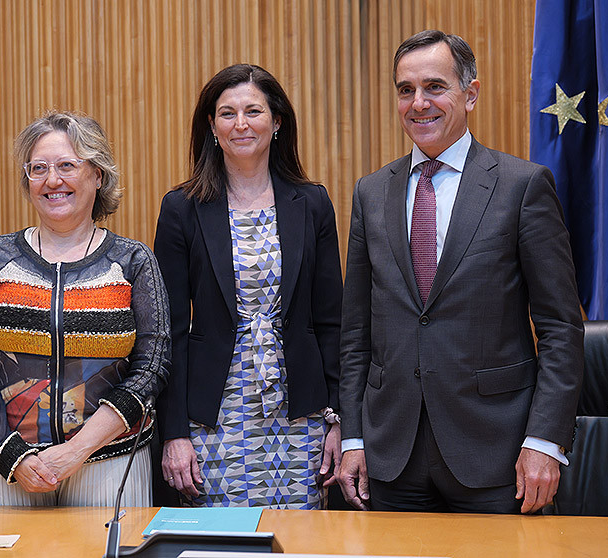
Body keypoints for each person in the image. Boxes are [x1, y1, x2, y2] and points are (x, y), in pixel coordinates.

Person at [338, 30, 584, 514]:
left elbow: (560, 328)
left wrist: (545, 441)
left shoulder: (522, 186)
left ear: (469, 94)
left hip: (499, 455)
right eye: (406, 89)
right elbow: (356, 334)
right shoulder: (371, 192)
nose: (418, 103)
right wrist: (353, 437)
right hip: (392, 457)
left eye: (435, 87)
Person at [0, 111, 170, 506]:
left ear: (98, 175)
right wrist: (10, 454)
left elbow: (151, 368)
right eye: (39, 168)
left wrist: (77, 450)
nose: (53, 180)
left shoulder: (133, 261)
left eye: (68, 166)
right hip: (11, 467)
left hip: (108, 462)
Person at [153, 64, 344, 508]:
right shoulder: (182, 208)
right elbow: (169, 332)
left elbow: (332, 322)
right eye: (227, 113)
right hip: (214, 415)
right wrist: (174, 432)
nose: (240, 124)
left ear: (277, 122)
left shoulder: (311, 203)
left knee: (300, 544)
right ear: (212, 127)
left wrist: (339, 421)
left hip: (300, 414)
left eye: (253, 111)